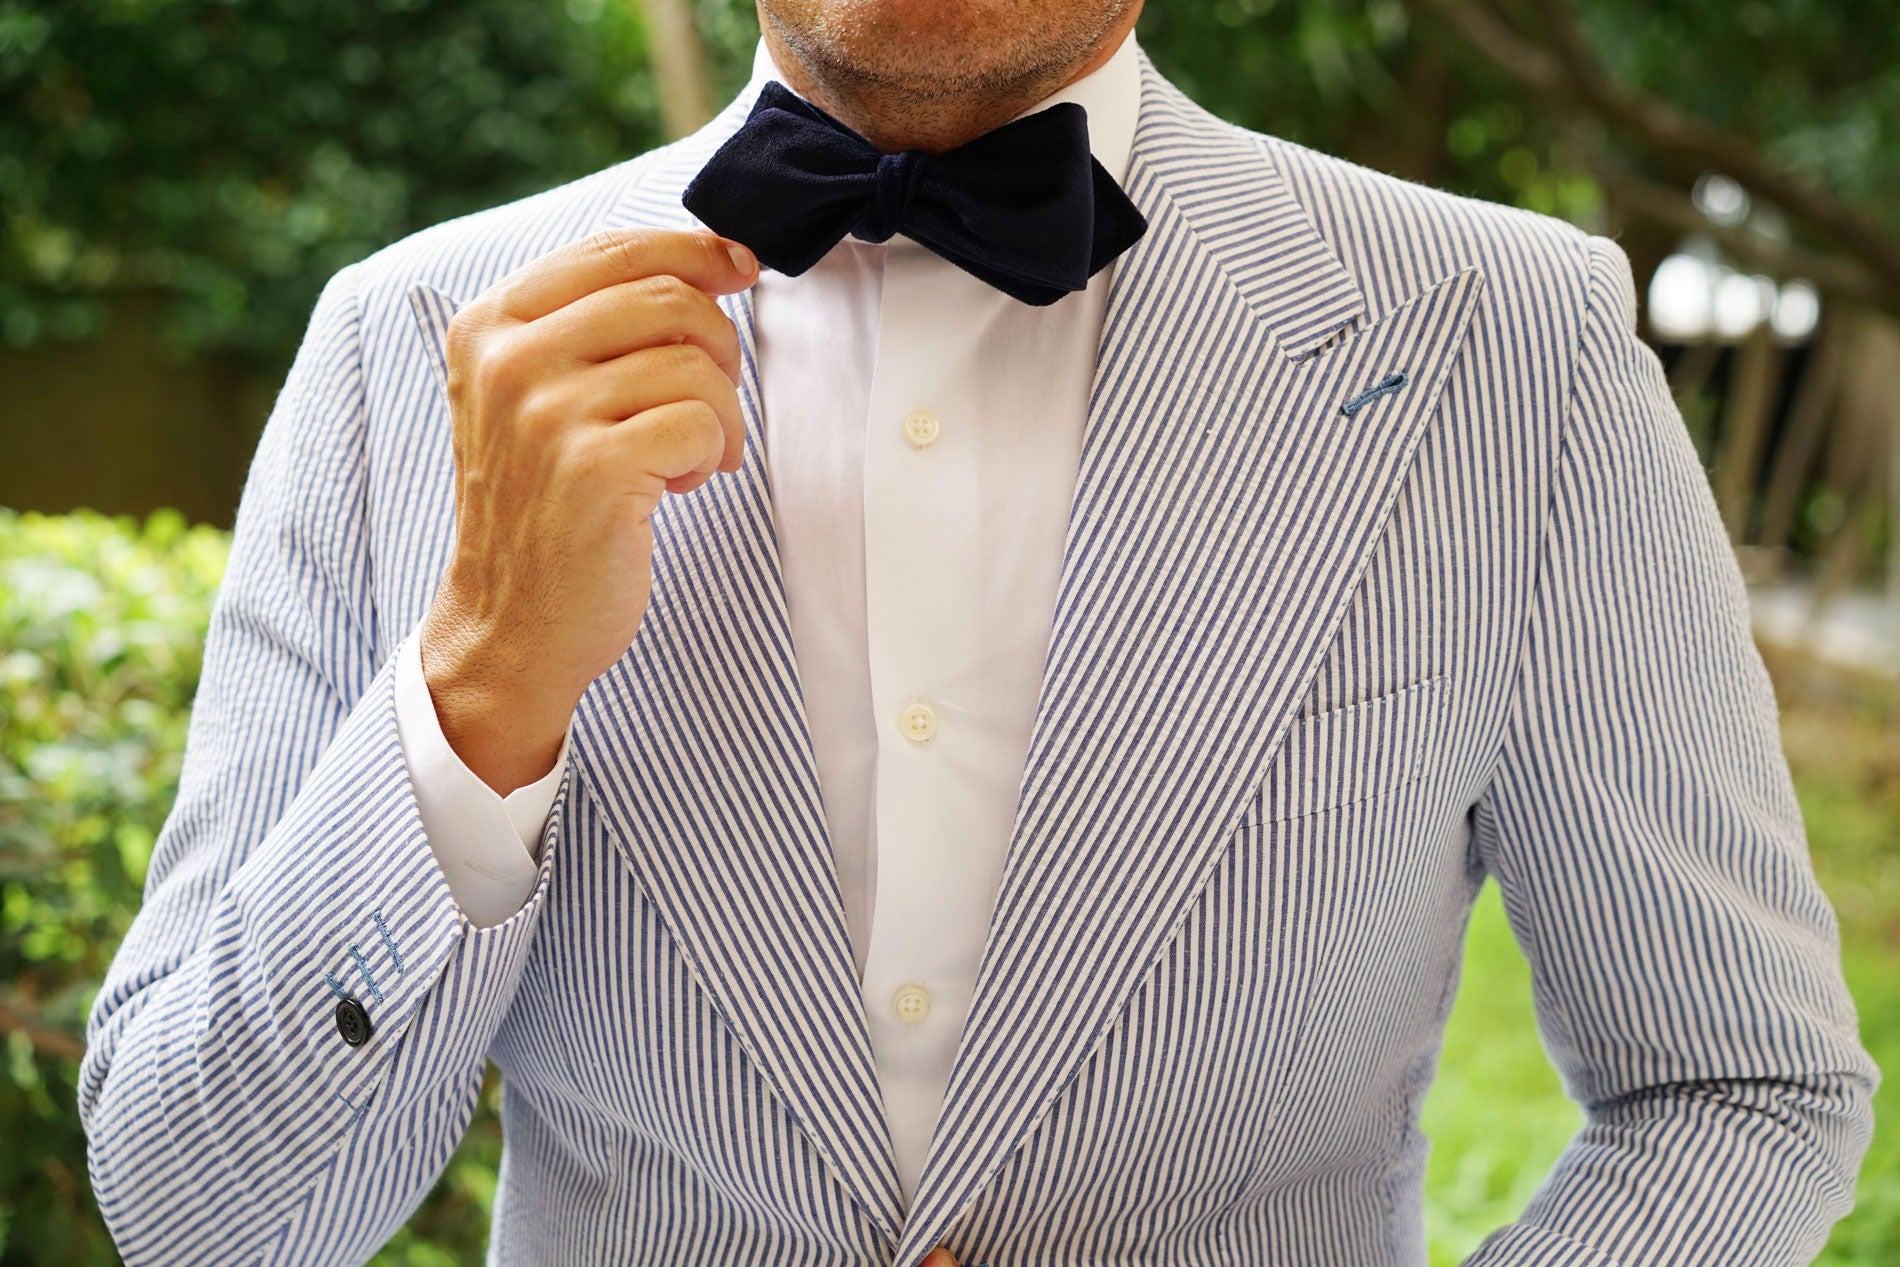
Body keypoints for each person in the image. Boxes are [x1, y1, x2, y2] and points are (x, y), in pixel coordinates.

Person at [80, 0, 1878, 1263]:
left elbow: (1738, 1082)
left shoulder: (1514, 348)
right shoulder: (410, 346)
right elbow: (204, 1207)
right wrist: (478, 685)